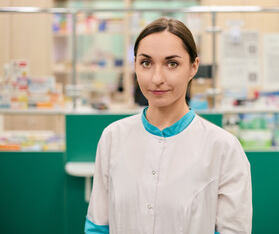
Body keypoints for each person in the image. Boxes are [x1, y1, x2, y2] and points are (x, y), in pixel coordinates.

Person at [85, 17, 252, 234]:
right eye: (146, 63)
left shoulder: (223, 147)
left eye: (171, 64)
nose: (156, 78)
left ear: (193, 67)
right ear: (134, 65)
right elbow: (98, 226)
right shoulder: (113, 137)